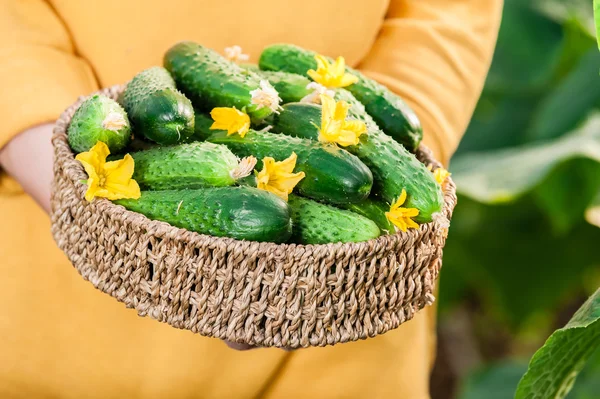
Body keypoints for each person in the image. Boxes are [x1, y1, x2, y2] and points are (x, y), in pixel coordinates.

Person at [0, 1, 502, 397]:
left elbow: (447, 16)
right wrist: (64, 174)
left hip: (339, 318)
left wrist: (376, 133)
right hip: (50, 316)